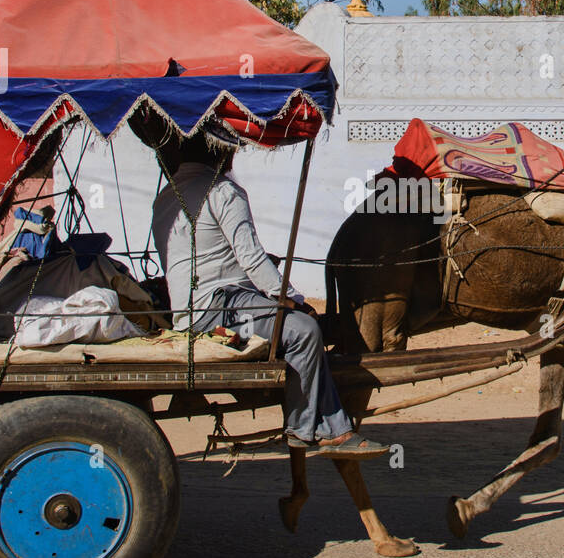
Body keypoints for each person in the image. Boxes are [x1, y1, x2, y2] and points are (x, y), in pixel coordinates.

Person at [140, 116, 385, 457]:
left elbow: (204, 253)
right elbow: (252, 259)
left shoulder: (166, 196)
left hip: (194, 307)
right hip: (218, 310)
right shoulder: (224, 191)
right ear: (222, 154)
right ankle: (307, 427)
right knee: (303, 330)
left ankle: (329, 422)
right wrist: (294, 300)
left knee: (300, 325)